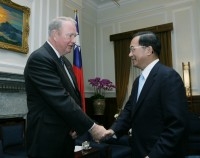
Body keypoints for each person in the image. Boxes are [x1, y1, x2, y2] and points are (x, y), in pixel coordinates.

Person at [24, 16, 109, 158]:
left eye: (75, 36)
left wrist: (75, 125)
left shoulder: (65, 62)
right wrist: (92, 127)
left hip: (66, 136)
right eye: (70, 35)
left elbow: (73, 97)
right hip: (47, 140)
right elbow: (61, 99)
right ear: (55, 34)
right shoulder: (40, 58)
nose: (74, 41)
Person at [107, 31, 189, 158]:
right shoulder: (137, 81)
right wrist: (112, 131)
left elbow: (176, 125)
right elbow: (129, 111)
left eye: (132, 49)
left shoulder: (168, 77)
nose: (129, 55)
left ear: (149, 50)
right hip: (139, 150)